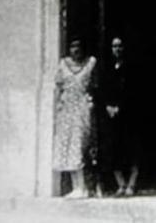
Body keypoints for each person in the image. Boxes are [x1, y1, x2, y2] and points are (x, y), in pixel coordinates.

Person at [53, 39, 98, 197]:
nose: (76, 50)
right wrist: (58, 106)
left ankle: (85, 187)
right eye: (72, 46)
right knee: (68, 146)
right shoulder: (63, 65)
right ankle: (76, 187)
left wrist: (90, 101)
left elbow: (94, 86)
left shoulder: (90, 64)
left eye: (79, 46)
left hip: (82, 108)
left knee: (80, 145)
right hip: (67, 109)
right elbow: (58, 87)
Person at [97, 36, 139, 196]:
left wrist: (121, 106)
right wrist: (107, 106)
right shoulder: (106, 68)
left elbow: (133, 90)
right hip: (111, 115)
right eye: (114, 46)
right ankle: (120, 184)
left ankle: (132, 184)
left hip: (129, 114)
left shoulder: (131, 67)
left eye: (120, 46)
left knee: (131, 149)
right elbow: (101, 89)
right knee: (114, 149)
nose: (117, 49)